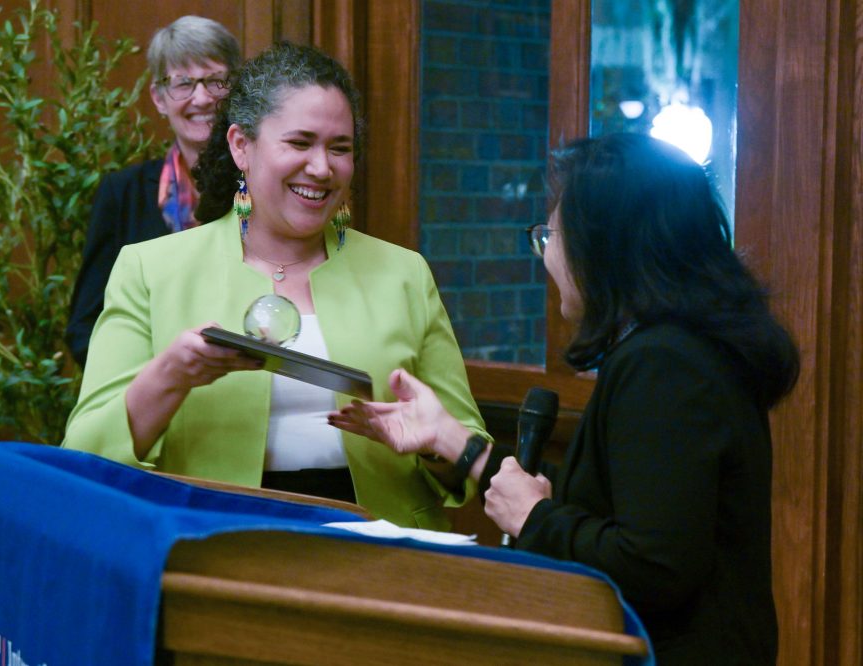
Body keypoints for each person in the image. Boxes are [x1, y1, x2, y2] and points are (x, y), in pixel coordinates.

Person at [329, 133, 800, 664]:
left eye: (551, 235)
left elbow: (654, 567)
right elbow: (609, 505)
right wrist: (456, 442)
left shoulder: (665, 363)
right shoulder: (679, 348)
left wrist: (534, 518)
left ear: (607, 246)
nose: (547, 255)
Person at [62, 42, 489, 531]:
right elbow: (84, 455)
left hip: (382, 548)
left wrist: (432, 444)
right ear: (241, 145)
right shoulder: (149, 269)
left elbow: (467, 457)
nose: (322, 167)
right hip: (213, 545)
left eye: (340, 148)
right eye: (300, 143)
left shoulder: (404, 273)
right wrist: (169, 377)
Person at [65, 16, 241, 367]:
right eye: (183, 83)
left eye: (215, 81)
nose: (202, 98)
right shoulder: (121, 195)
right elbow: (85, 327)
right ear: (159, 99)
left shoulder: (264, 189)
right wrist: (158, 378)